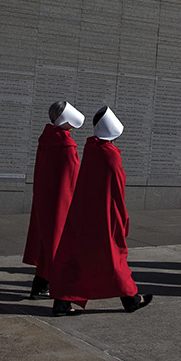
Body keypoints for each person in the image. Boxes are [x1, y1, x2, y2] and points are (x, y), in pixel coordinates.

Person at [50, 107, 152, 316]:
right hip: (106, 215)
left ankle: (62, 302)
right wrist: (123, 219)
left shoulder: (91, 148)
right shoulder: (111, 155)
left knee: (79, 258)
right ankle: (130, 298)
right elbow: (117, 191)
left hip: (87, 213)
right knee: (115, 257)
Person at [23, 101, 83, 300]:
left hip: (45, 198)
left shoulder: (47, 139)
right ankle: (57, 288)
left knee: (46, 243)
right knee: (58, 244)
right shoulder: (66, 145)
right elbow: (72, 179)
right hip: (61, 201)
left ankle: (41, 284)